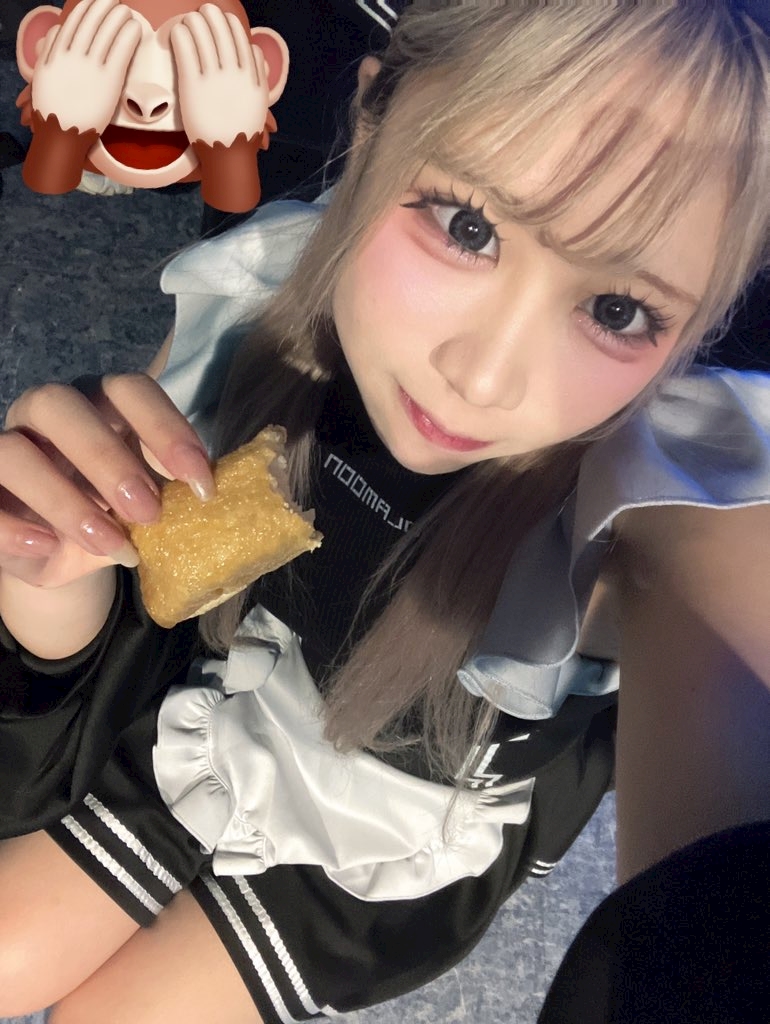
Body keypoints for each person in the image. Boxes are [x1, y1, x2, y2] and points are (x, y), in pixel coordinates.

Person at [0, 2, 768, 1022]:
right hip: (213, 696)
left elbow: (713, 923)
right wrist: (46, 567)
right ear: (369, 123)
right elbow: (121, 619)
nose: (483, 378)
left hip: (383, 840)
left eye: (618, 310)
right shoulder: (261, 289)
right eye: (467, 227)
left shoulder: (661, 506)